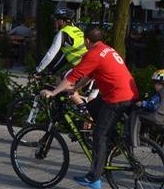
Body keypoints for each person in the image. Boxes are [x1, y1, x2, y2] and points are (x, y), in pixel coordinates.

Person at [41, 28, 138, 189]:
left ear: (87, 41)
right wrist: (74, 89)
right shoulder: (106, 49)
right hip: (128, 94)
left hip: (117, 99)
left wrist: (53, 92)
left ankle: (94, 177)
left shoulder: (93, 54)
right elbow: (88, 76)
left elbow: (73, 75)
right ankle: (111, 143)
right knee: (91, 105)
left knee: (100, 135)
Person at [35, 7, 91, 112]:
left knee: (61, 82)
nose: (54, 23)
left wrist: (38, 70)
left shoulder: (63, 33)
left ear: (61, 21)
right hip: (89, 65)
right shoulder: (77, 30)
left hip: (82, 67)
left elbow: (50, 54)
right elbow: (65, 56)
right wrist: (52, 70)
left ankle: (82, 108)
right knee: (60, 79)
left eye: (55, 21)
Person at [128, 69, 164, 147]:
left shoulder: (160, 93)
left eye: (156, 83)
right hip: (162, 118)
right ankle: (145, 141)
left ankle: (133, 140)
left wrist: (141, 103)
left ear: (162, 83)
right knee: (145, 118)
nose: (154, 86)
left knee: (137, 115)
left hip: (158, 116)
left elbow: (152, 104)